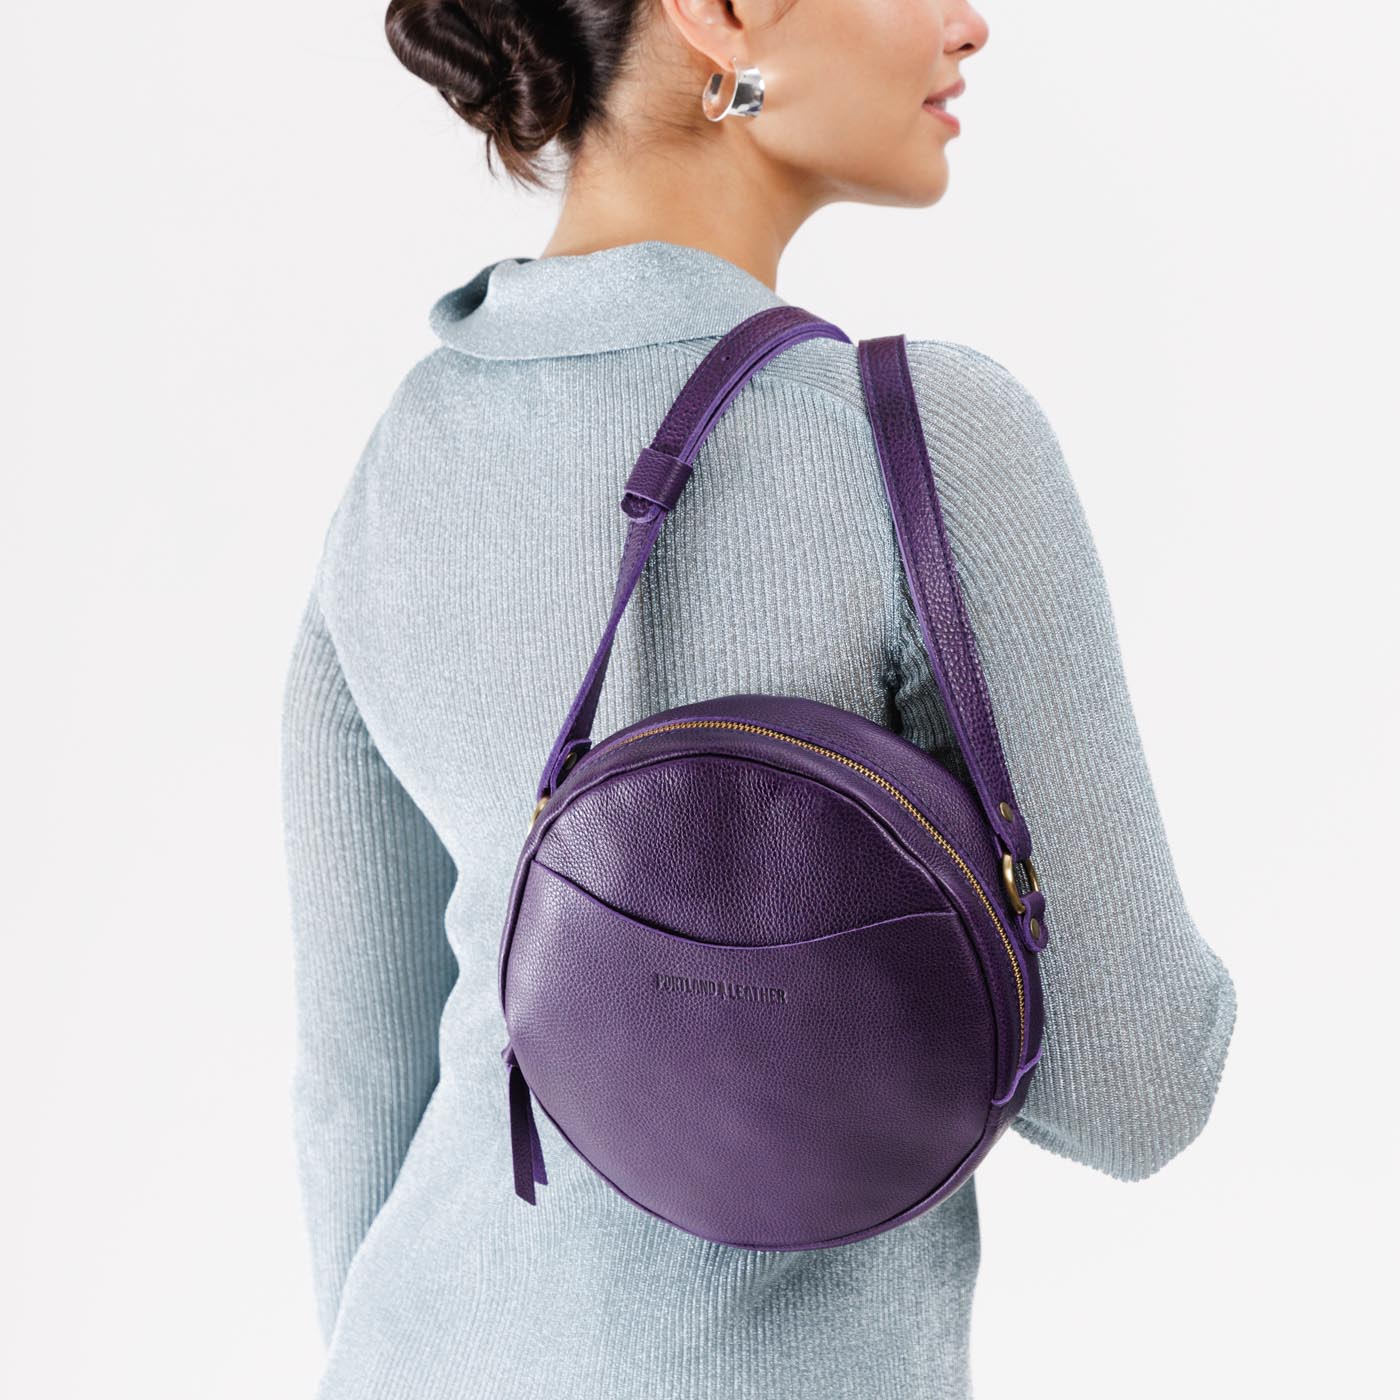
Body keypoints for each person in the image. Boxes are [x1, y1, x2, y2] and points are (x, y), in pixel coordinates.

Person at [279, 1, 1238, 1396]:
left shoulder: (400, 452)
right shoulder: (910, 440)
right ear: (722, 15)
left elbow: (353, 1080)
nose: (969, 23)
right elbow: (1137, 1090)